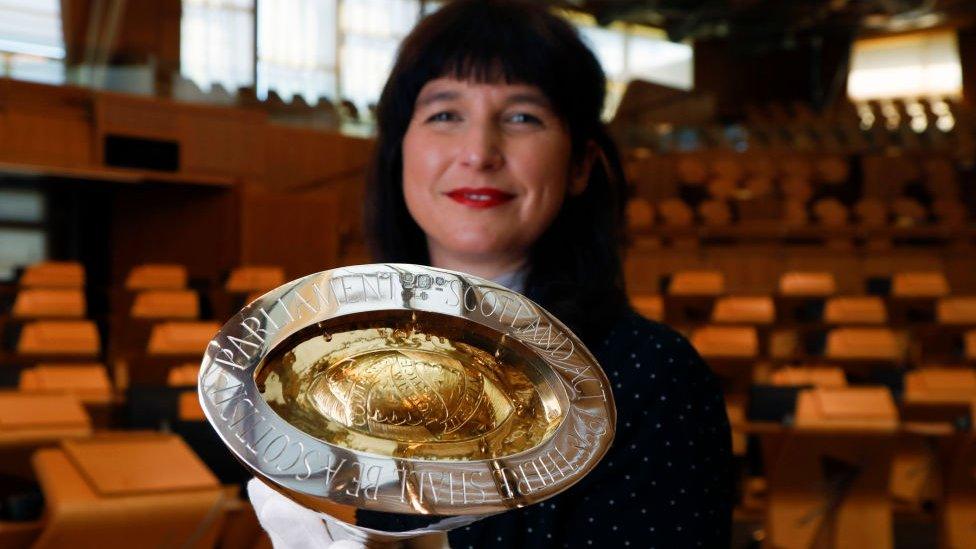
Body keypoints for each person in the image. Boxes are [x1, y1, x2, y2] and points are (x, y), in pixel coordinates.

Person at [249, 1, 733, 547]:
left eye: (522, 117)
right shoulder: (321, 364)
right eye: (445, 114)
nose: (479, 152)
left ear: (579, 165)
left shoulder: (654, 376)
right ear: (398, 152)